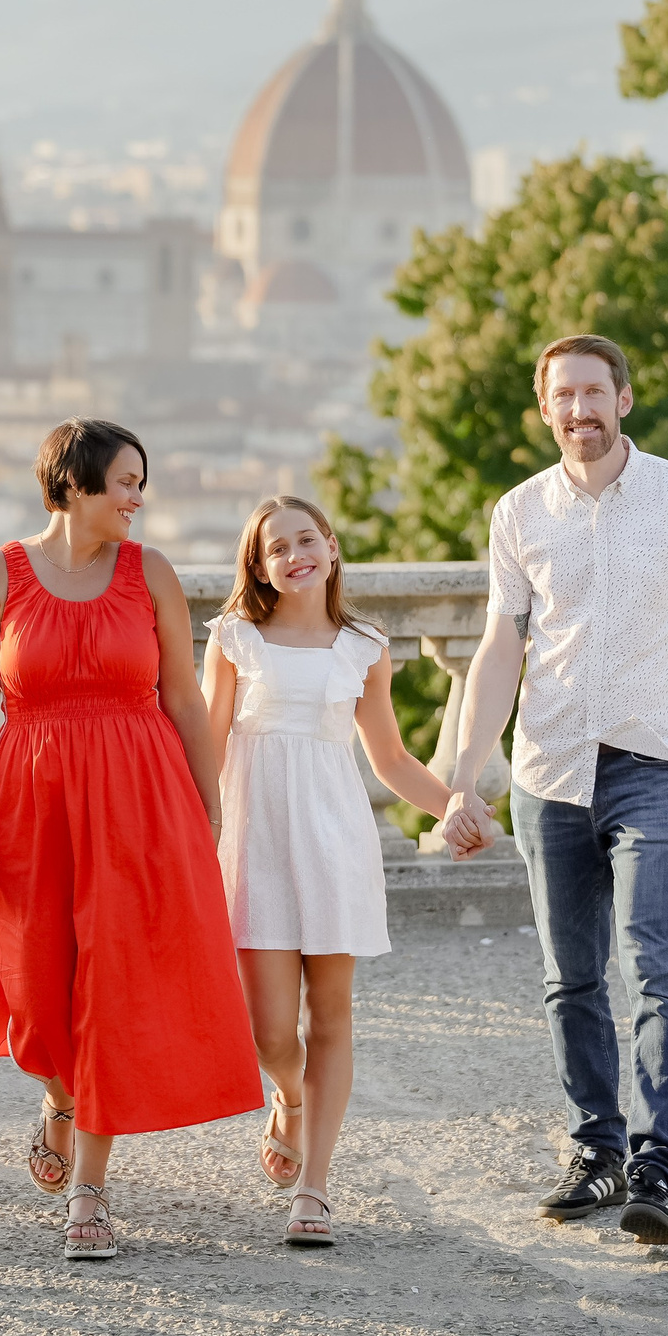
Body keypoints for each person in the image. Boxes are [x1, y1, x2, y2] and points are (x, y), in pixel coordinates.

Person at [438, 336, 668, 1246]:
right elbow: (499, 653)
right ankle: (597, 1151)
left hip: (656, 765)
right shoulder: (518, 513)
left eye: (593, 392)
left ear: (624, 397)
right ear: (545, 409)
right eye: (562, 396)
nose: (579, 409)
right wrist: (467, 775)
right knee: (568, 978)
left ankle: (658, 1163)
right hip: (550, 772)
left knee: (654, 964)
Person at [0, 417, 259, 1262]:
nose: (137, 498)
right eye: (125, 482)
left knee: (112, 985)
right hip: (27, 803)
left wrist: (209, 805)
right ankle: (58, 1099)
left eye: (139, 482)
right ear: (74, 484)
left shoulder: (149, 572)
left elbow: (186, 700)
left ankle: (89, 1188)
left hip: (139, 797)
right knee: (33, 986)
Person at [202, 494, 466, 1247]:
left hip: (334, 839)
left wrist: (453, 807)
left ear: (333, 546)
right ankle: (287, 1094)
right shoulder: (234, 639)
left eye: (306, 538)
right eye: (276, 546)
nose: (295, 554)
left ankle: (314, 1188)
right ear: (258, 565)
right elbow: (209, 747)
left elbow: (390, 758)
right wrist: (189, 830)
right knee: (269, 1029)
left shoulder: (365, 645)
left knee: (334, 1015)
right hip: (255, 841)